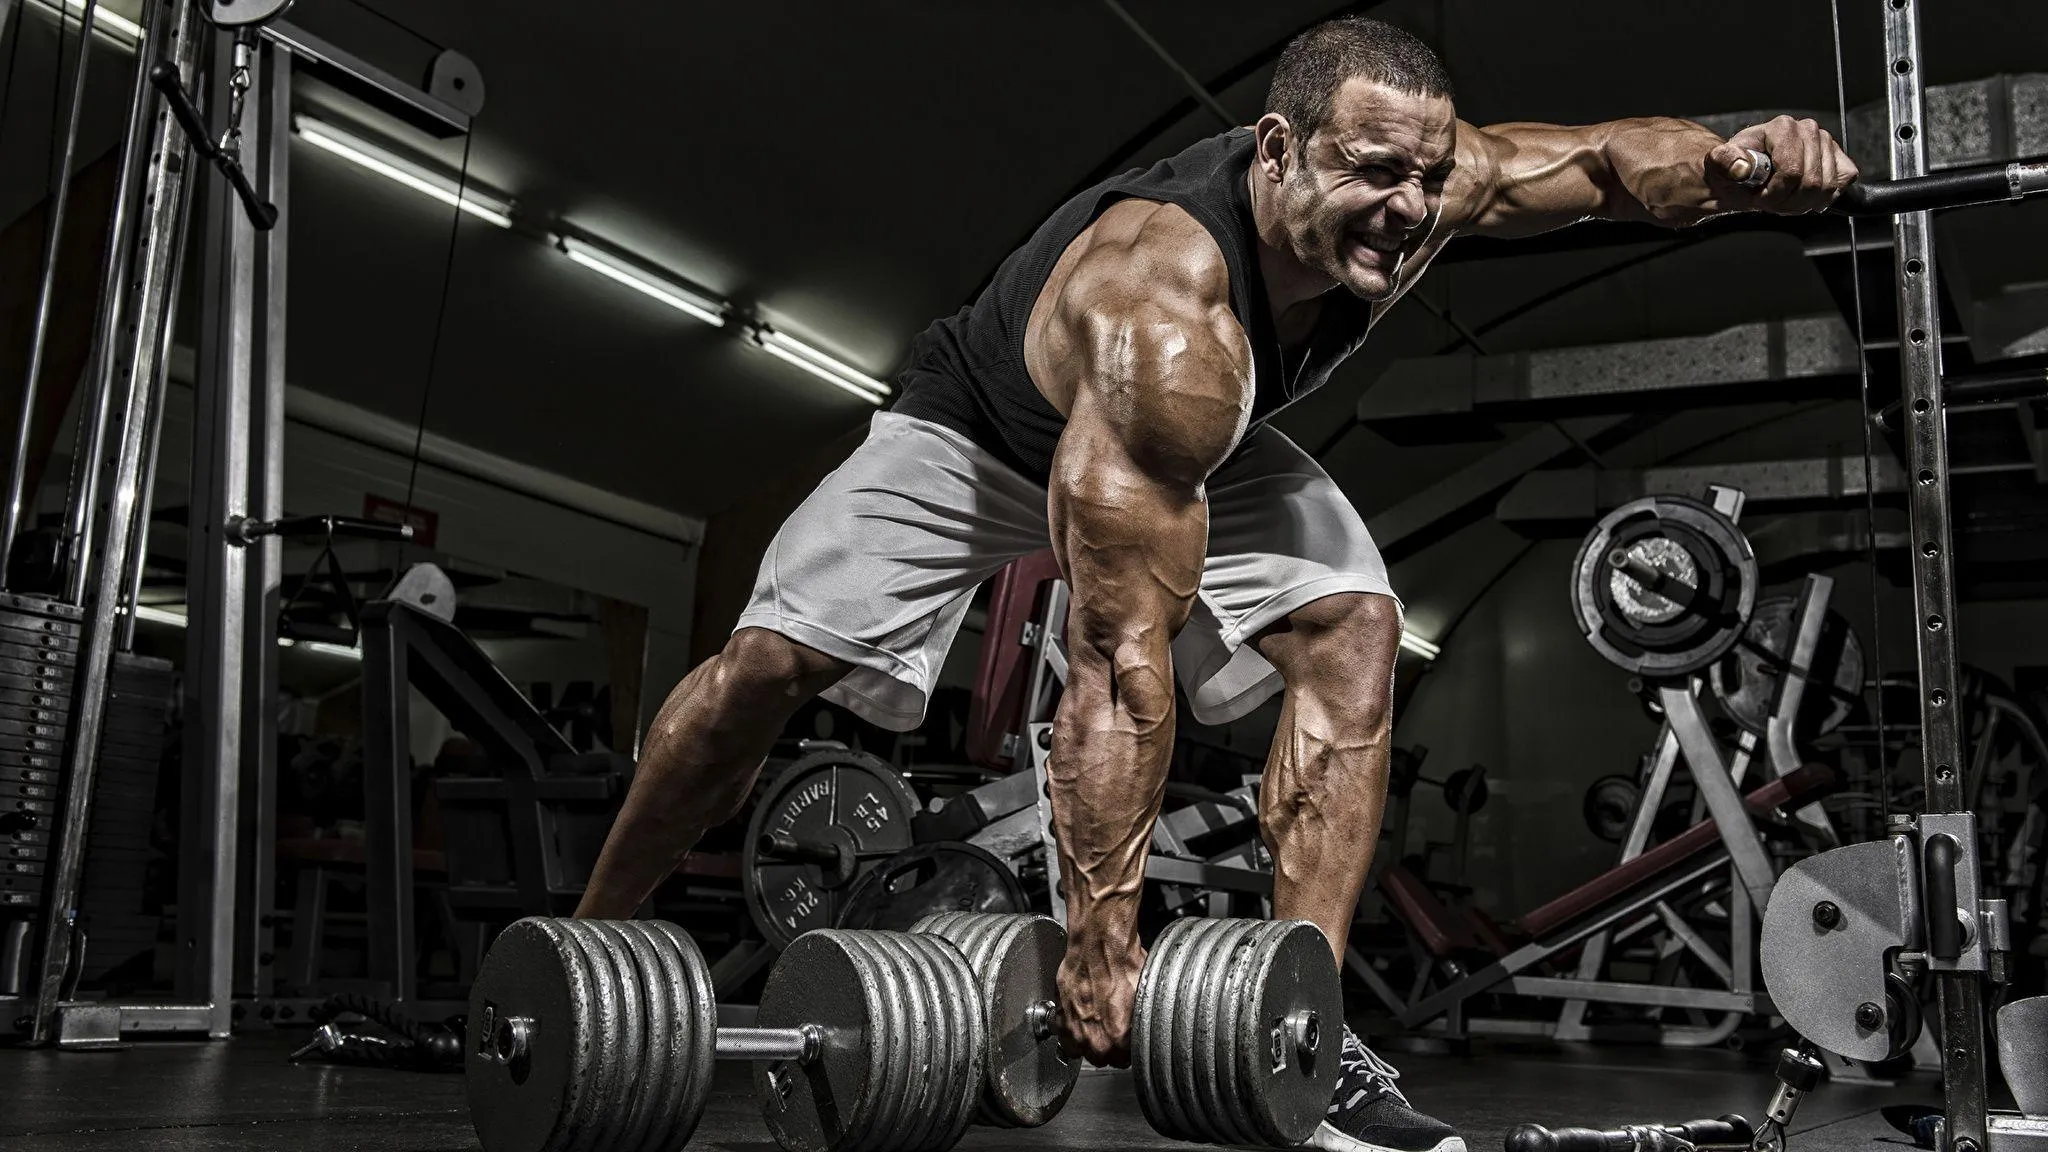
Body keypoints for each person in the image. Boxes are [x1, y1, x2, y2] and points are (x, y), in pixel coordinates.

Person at [577, 16, 1854, 1152]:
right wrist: (1099, 931)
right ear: (1275, 151)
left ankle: (1307, 1027)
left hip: (1194, 444)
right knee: (763, 667)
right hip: (974, 434)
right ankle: (590, 945)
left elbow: (1595, 169)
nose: (1407, 209)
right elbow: (1120, 668)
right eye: (1368, 173)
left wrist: (1747, 166)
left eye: (1422, 174)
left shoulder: (1423, 182)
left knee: (1354, 627)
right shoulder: (1164, 314)